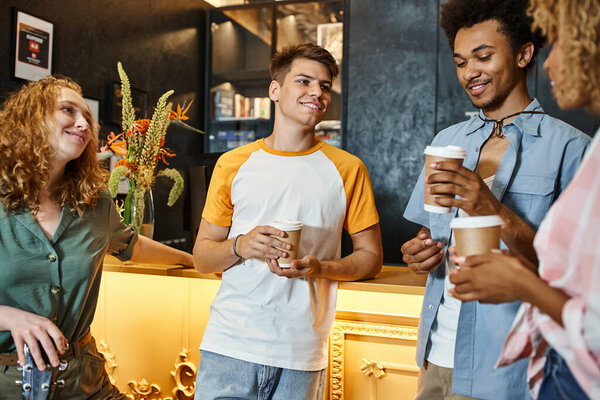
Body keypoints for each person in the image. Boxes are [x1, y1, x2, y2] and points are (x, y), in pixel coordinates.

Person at [401, 0, 591, 398]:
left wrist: (488, 205)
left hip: (511, 368)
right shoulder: (446, 143)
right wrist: (419, 253)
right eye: (460, 62)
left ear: (523, 54)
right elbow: (428, 234)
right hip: (436, 354)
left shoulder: (575, 150)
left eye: (483, 56)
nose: (470, 72)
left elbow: (575, 277)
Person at [192, 43, 382, 400]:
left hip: (302, 353)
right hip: (230, 345)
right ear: (275, 90)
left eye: (325, 86)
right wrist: (241, 245)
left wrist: (320, 267)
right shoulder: (233, 164)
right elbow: (202, 258)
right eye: (304, 81)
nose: (317, 92)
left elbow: (370, 257)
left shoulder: (348, 169)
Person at [0, 76, 194, 399]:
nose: (82, 123)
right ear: (31, 119)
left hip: (85, 384)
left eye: (87, 118)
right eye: (68, 111)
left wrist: (192, 259)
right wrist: (10, 318)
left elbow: (133, 245)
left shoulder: (95, 202)